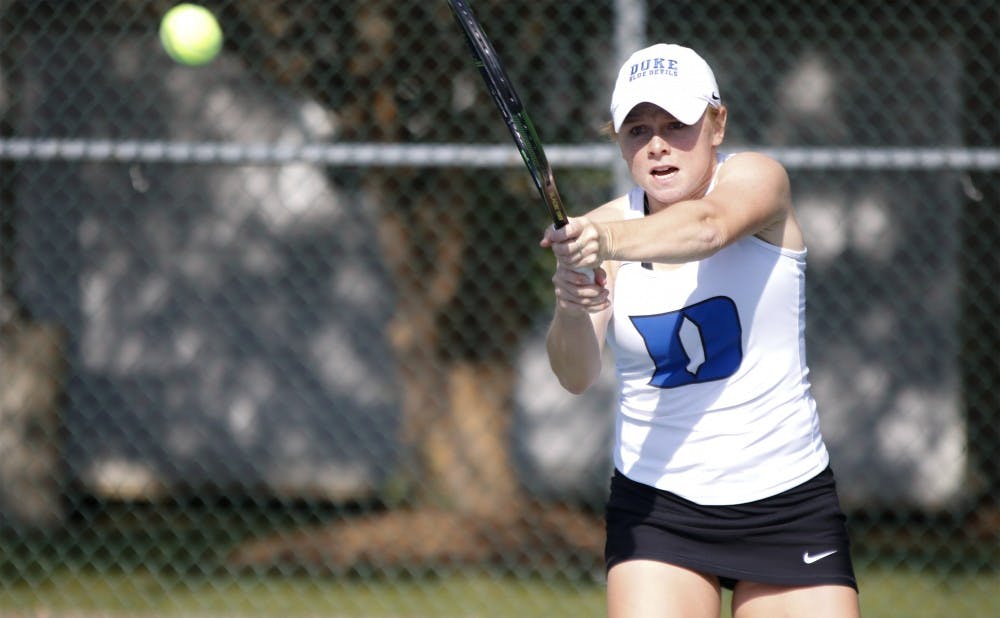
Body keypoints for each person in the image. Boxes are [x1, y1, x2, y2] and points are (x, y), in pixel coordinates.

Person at [540, 43, 861, 618]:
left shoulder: (758, 180)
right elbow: (574, 373)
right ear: (617, 138)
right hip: (658, 510)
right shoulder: (605, 228)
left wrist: (603, 240)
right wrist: (570, 300)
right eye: (637, 129)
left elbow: (709, 229)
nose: (657, 143)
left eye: (676, 124)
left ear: (718, 123)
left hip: (788, 501)